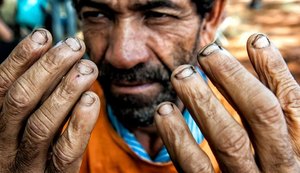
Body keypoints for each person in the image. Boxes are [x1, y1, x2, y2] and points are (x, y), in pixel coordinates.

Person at [0, 0, 300, 173]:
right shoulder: (38, 136)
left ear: (211, 17)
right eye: (98, 15)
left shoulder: (266, 144)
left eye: (158, 15)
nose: (122, 56)